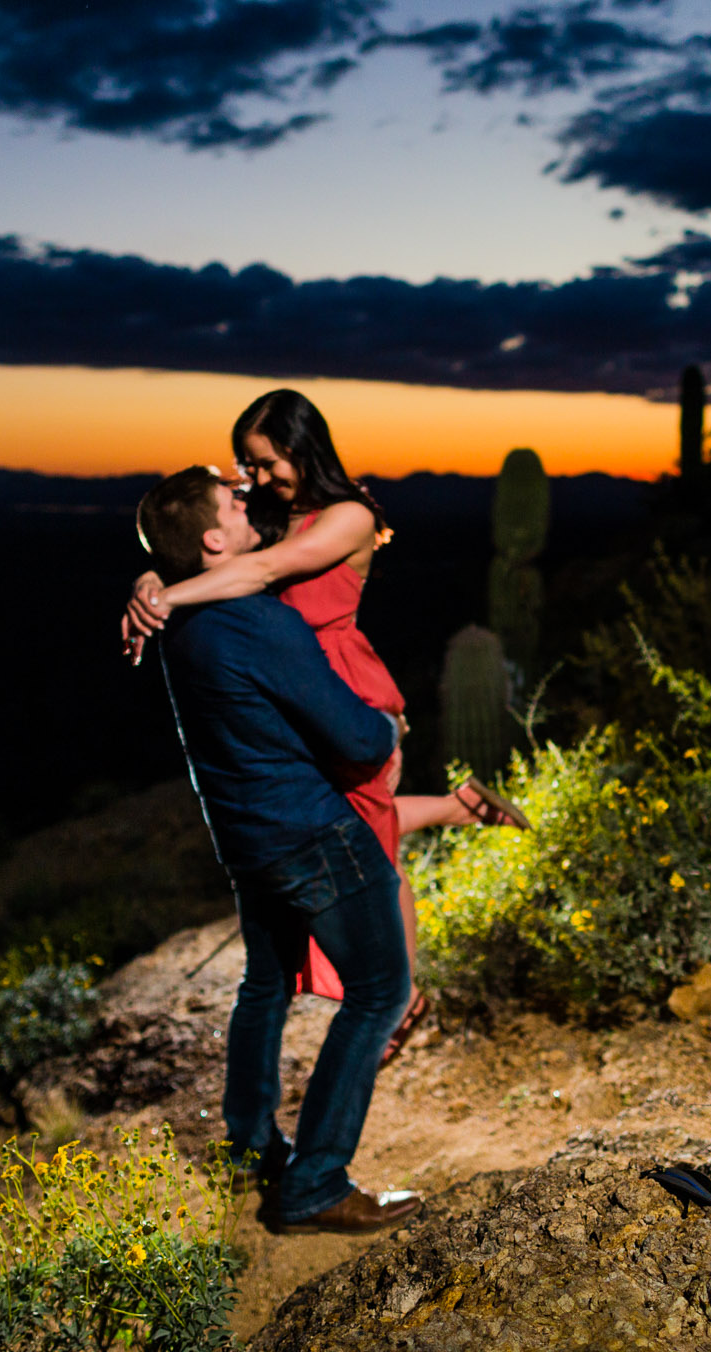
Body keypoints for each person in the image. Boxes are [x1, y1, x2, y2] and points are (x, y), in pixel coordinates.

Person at [121, 389, 526, 1058]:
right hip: (304, 698)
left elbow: (264, 569)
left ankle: (403, 999)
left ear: (299, 445)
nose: (255, 478)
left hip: (351, 697)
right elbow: (213, 553)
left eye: (263, 461)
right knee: (365, 831)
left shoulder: (349, 515)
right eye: (245, 467)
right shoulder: (276, 516)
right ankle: (459, 809)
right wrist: (148, 576)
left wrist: (164, 595)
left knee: (375, 857)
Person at [137, 464, 422, 1235]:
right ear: (213, 539)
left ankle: (251, 1145)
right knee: (379, 990)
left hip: (244, 834)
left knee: (265, 981)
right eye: (233, 500)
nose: (247, 499)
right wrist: (390, 729)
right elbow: (355, 736)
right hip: (310, 832)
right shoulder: (259, 623)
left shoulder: (181, 625)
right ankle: (315, 1183)